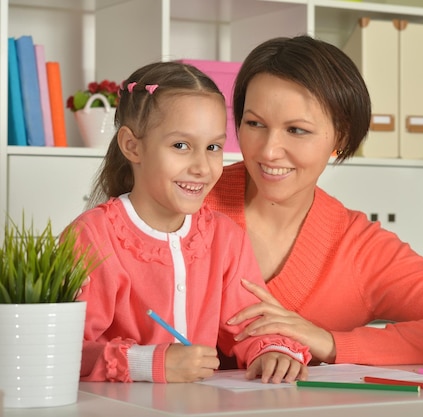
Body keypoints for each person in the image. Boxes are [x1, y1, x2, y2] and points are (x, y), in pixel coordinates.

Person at [205, 35, 423, 366]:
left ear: (339, 137)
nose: (268, 150)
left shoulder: (356, 247)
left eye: (297, 130)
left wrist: (331, 343)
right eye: (255, 124)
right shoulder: (189, 201)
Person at [72, 61, 310, 384]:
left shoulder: (225, 238)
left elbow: (251, 326)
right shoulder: (93, 236)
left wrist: (271, 352)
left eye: (213, 147)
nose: (202, 166)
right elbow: (66, 348)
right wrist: (150, 363)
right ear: (132, 145)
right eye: (181, 146)